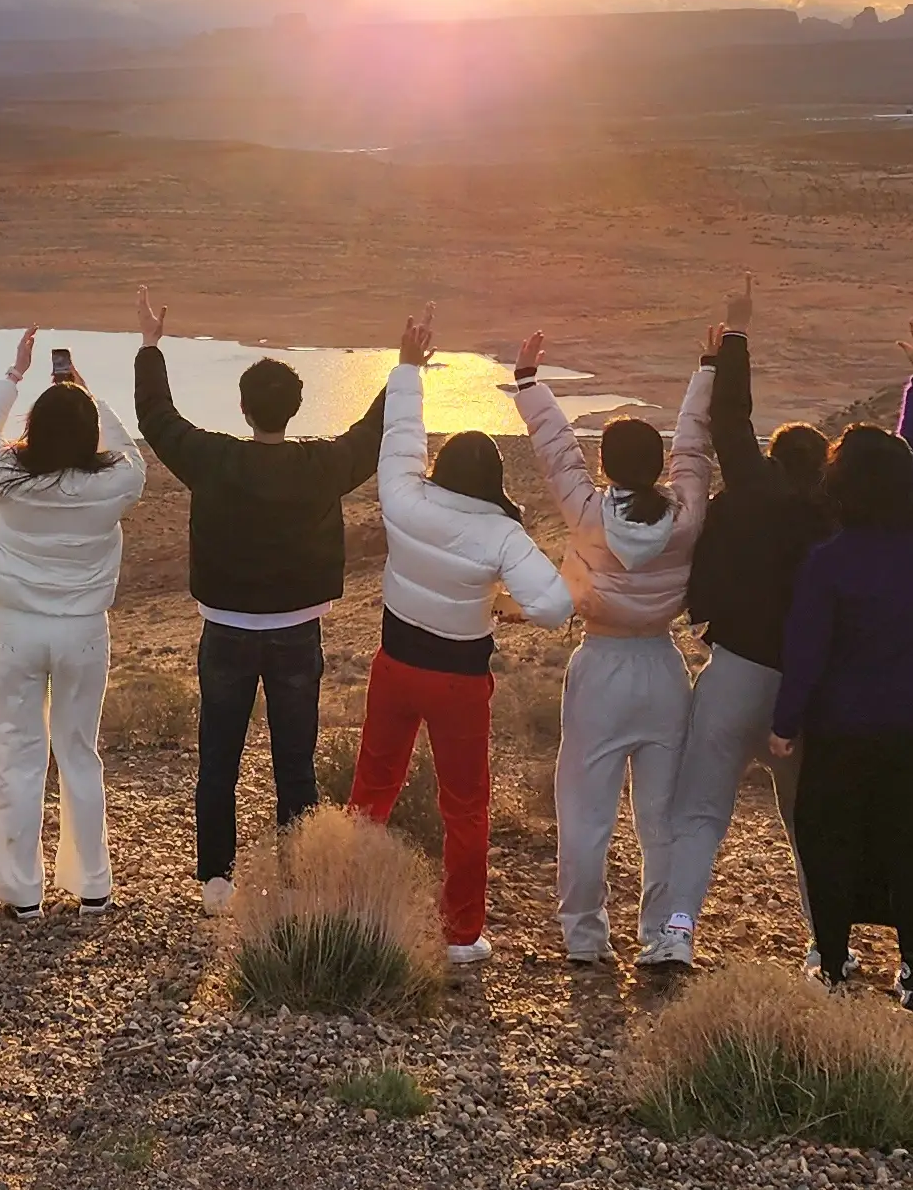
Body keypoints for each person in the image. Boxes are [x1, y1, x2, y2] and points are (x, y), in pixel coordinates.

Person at [132, 287, 388, 917]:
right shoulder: (322, 464)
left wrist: (149, 346)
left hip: (224, 634)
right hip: (299, 634)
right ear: (294, 408)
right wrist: (404, 369)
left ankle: (216, 881)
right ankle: (297, 881)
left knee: (218, 756)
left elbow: (158, 419)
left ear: (243, 408)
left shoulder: (214, 459)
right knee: (294, 762)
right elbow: (374, 432)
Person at [352, 309, 574, 963]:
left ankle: (346, 898)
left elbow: (399, 437)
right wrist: (508, 607)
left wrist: (407, 367)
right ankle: (460, 935)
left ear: (444, 466)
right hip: (458, 683)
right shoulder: (501, 534)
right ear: (496, 483)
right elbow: (557, 605)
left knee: (372, 788)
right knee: (465, 806)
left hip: (394, 666)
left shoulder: (405, 498)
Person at [644, 276, 835, 968]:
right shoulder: (832, 520)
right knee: (807, 822)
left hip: (734, 672)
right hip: (807, 692)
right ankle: (825, 947)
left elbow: (730, 422)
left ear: (774, 459)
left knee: (698, 813)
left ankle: (676, 932)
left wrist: (735, 334)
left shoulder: (751, 493)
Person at [511, 327, 716, 967]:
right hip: (663, 667)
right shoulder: (687, 514)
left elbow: (557, 455)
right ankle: (663, 936)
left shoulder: (589, 514)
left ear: (606, 467)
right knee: (661, 817)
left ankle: (583, 935)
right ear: (658, 467)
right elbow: (693, 446)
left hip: (600, 665)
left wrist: (529, 385)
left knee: (584, 808)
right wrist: (707, 366)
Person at [768, 318, 913, 1007]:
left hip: (843, 728)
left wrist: (786, 722)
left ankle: (837, 963)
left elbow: (806, 651)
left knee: (830, 835)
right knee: (912, 841)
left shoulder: (828, 563)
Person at [0, 330, 149, 919]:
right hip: (84, 632)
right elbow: (131, 451)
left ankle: (22, 894)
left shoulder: (8, 477)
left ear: (35, 429)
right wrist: (88, 392)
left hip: (17, 627)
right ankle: (92, 885)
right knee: (78, 751)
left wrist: (14, 377)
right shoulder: (117, 483)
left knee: (15, 753)